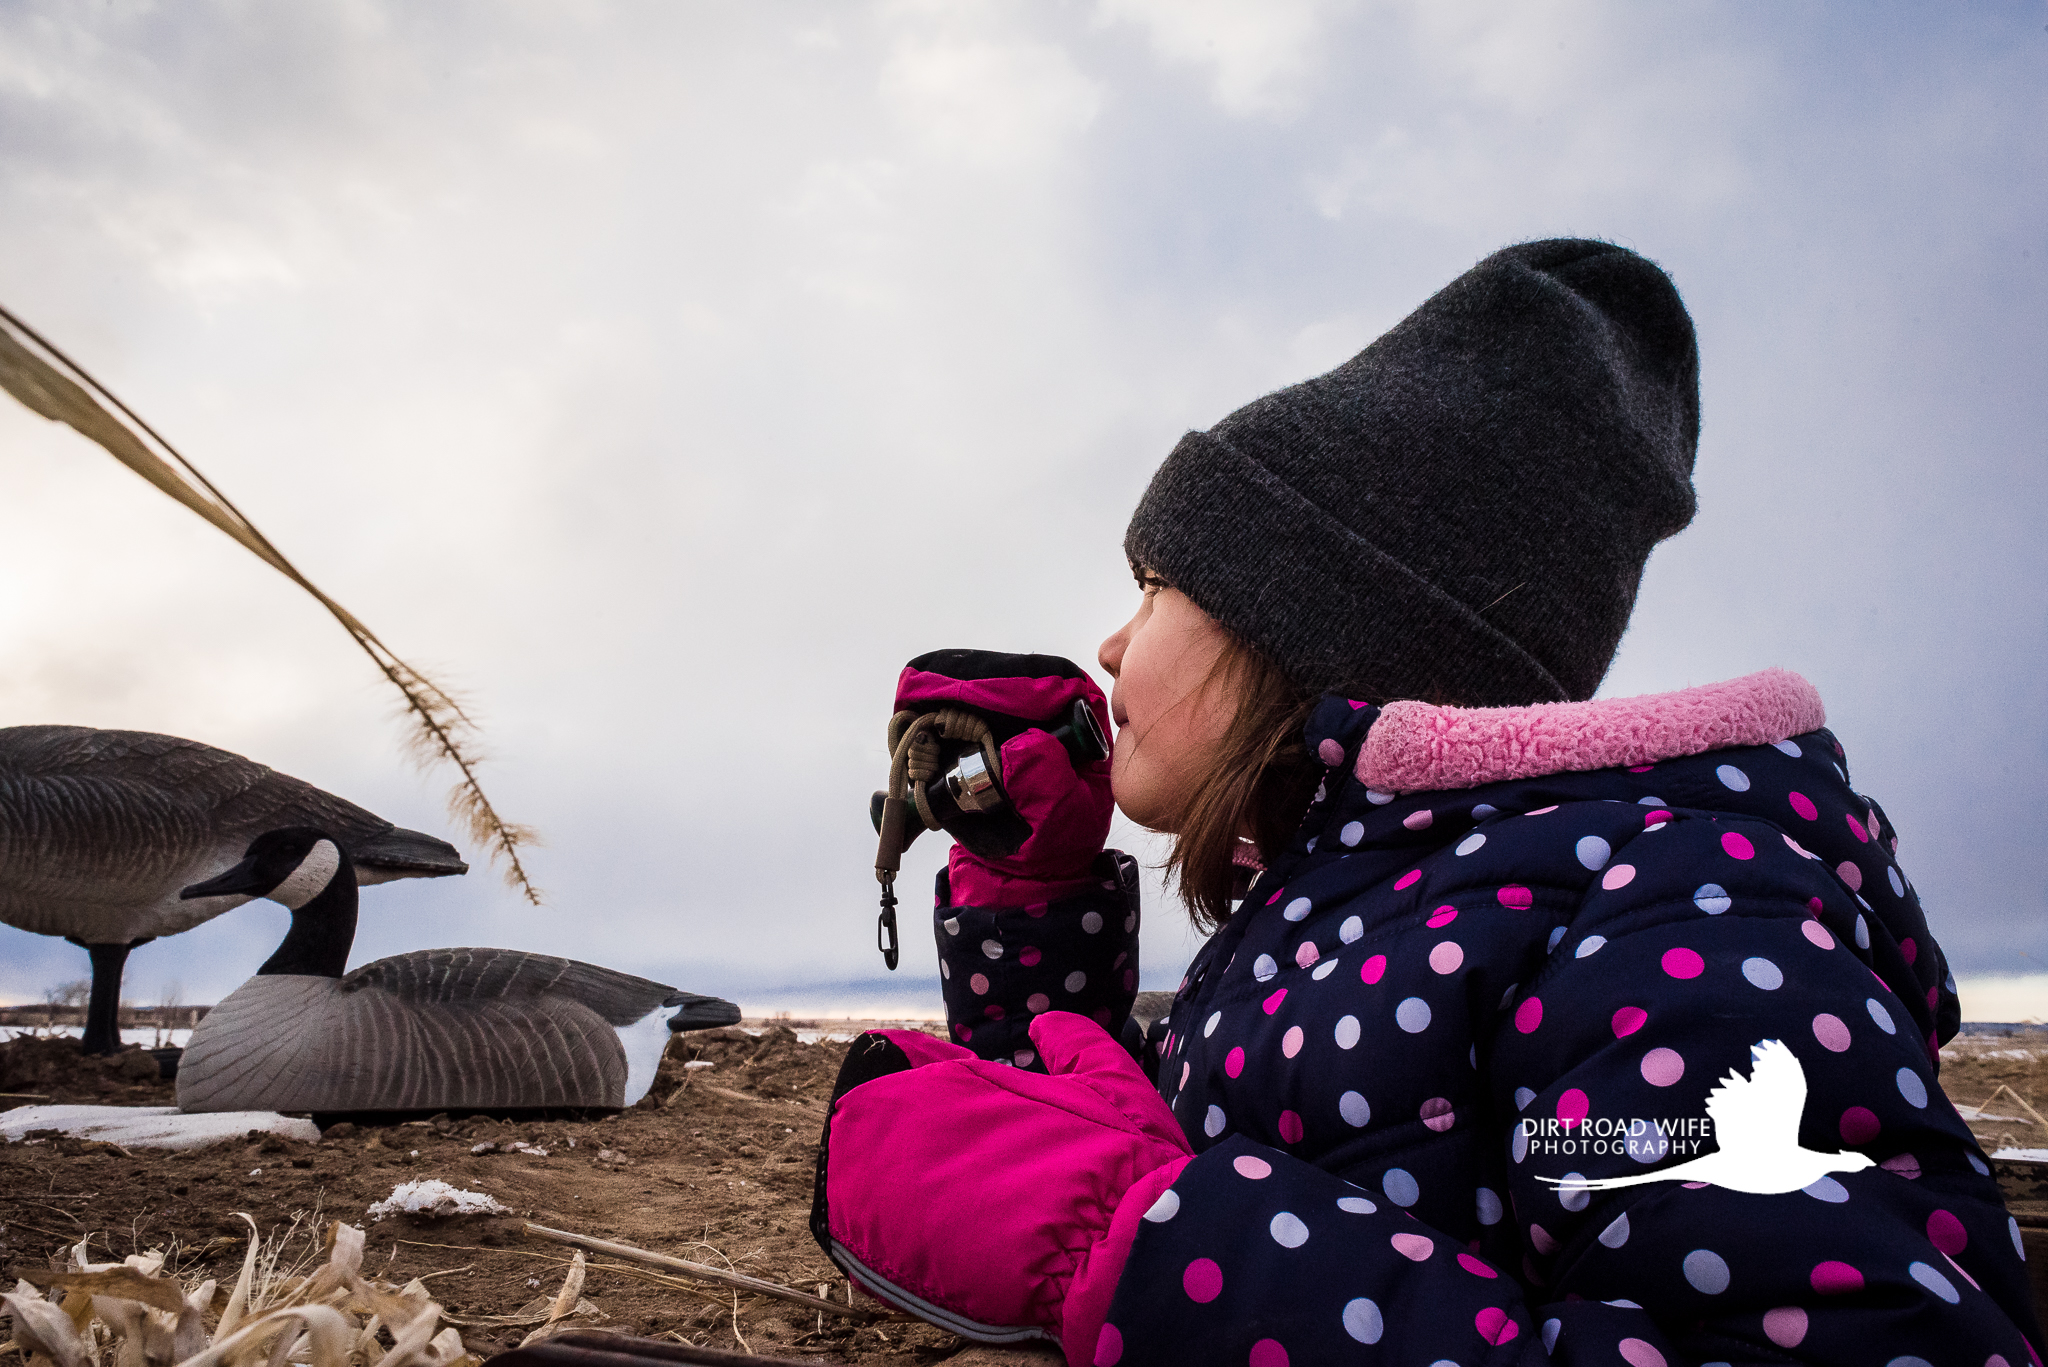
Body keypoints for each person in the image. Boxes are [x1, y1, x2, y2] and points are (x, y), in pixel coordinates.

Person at [812, 240, 2038, 1365]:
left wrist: (1144, 1245)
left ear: (1302, 618)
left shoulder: (1677, 917)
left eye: (1155, 583)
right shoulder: (1339, 900)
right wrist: (1034, 892)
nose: (1111, 640)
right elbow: (1234, 1156)